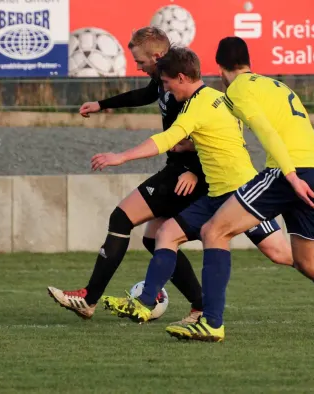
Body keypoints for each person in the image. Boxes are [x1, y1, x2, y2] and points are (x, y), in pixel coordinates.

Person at [89, 47, 314, 342]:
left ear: (184, 77)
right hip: (218, 192)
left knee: (281, 253)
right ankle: (146, 302)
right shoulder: (227, 96)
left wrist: (121, 157)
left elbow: (168, 138)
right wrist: (193, 151)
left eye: (166, 83)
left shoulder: (213, 98)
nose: (163, 89)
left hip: (241, 187)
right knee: (166, 233)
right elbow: (222, 135)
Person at [167, 36, 314, 342]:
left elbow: (266, 130)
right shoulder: (276, 85)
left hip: (290, 172)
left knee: (213, 231)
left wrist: (290, 175)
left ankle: (211, 322)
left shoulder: (238, 89)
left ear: (220, 68)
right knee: (307, 261)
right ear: (248, 61)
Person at [47, 27, 207, 325]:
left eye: (140, 61)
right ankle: (200, 306)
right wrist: (102, 105)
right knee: (156, 239)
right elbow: (144, 94)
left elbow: (211, 134)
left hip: (184, 173)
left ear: (159, 57)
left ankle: (89, 298)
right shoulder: (163, 81)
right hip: (177, 169)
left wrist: (194, 171)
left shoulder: (186, 89)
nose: (138, 66)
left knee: (122, 218)